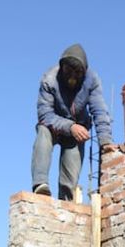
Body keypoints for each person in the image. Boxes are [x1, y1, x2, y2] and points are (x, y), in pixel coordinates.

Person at [31, 43, 115, 201]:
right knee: (43, 132)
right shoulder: (49, 79)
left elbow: (99, 110)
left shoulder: (92, 80)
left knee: (69, 185)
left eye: (77, 73)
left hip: (77, 132)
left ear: (84, 72)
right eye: (68, 71)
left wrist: (105, 142)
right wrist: (70, 127)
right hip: (53, 126)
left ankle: (65, 209)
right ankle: (40, 185)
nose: (72, 77)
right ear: (62, 67)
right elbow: (44, 114)